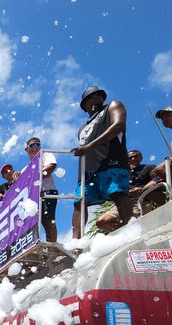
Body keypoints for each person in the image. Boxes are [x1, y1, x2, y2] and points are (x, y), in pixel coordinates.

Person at [71, 86, 131, 238]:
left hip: (112, 161)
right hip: (88, 171)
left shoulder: (113, 106)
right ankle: (75, 243)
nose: (95, 97)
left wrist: (89, 146)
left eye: (98, 94)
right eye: (90, 96)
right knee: (79, 203)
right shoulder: (82, 128)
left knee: (117, 192)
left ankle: (130, 228)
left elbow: (119, 125)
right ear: (84, 105)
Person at [96, 149, 157, 232]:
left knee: (131, 221)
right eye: (130, 157)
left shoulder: (149, 167)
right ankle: (129, 231)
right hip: (123, 201)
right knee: (102, 222)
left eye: (135, 156)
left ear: (141, 157)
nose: (133, 159)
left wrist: (141, 189)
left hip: (140, 200)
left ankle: (131, 231)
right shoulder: (123, 172)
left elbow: (156, 181)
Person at [24, 137, 59, 242]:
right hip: (34, 196)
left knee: (49, 220)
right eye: (32, 145)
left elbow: (51, 167)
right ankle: (44, 244)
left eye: (37, 145)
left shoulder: (46, 155)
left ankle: (52, 245)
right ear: (26, 149)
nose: (35, 148)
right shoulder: (26, 168)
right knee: (39, 221)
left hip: (48, 190)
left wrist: (33, 176)